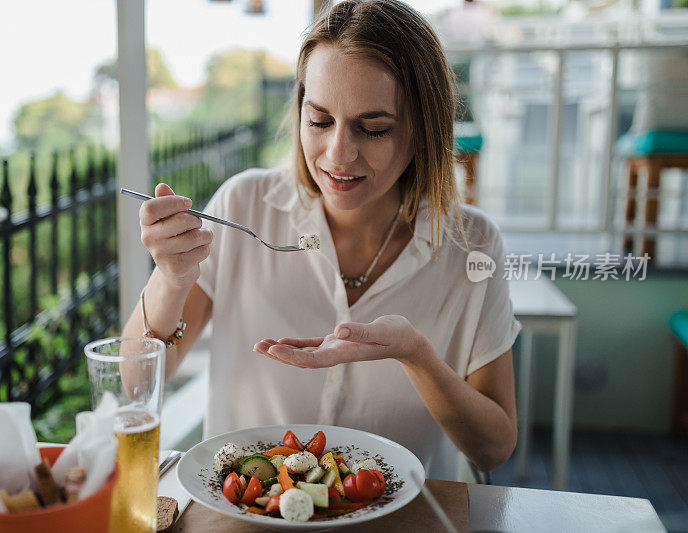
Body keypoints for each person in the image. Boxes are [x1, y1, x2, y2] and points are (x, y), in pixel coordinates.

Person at [122, 0, 521, 481]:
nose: (338, 155)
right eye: (320, 121)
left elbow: (494, 448)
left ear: (423, 131)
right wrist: (170, 279)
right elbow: (135, 380)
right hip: (247, 514)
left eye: (372, 129)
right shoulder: (245, 207)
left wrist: (415, 356)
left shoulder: (472, 245)